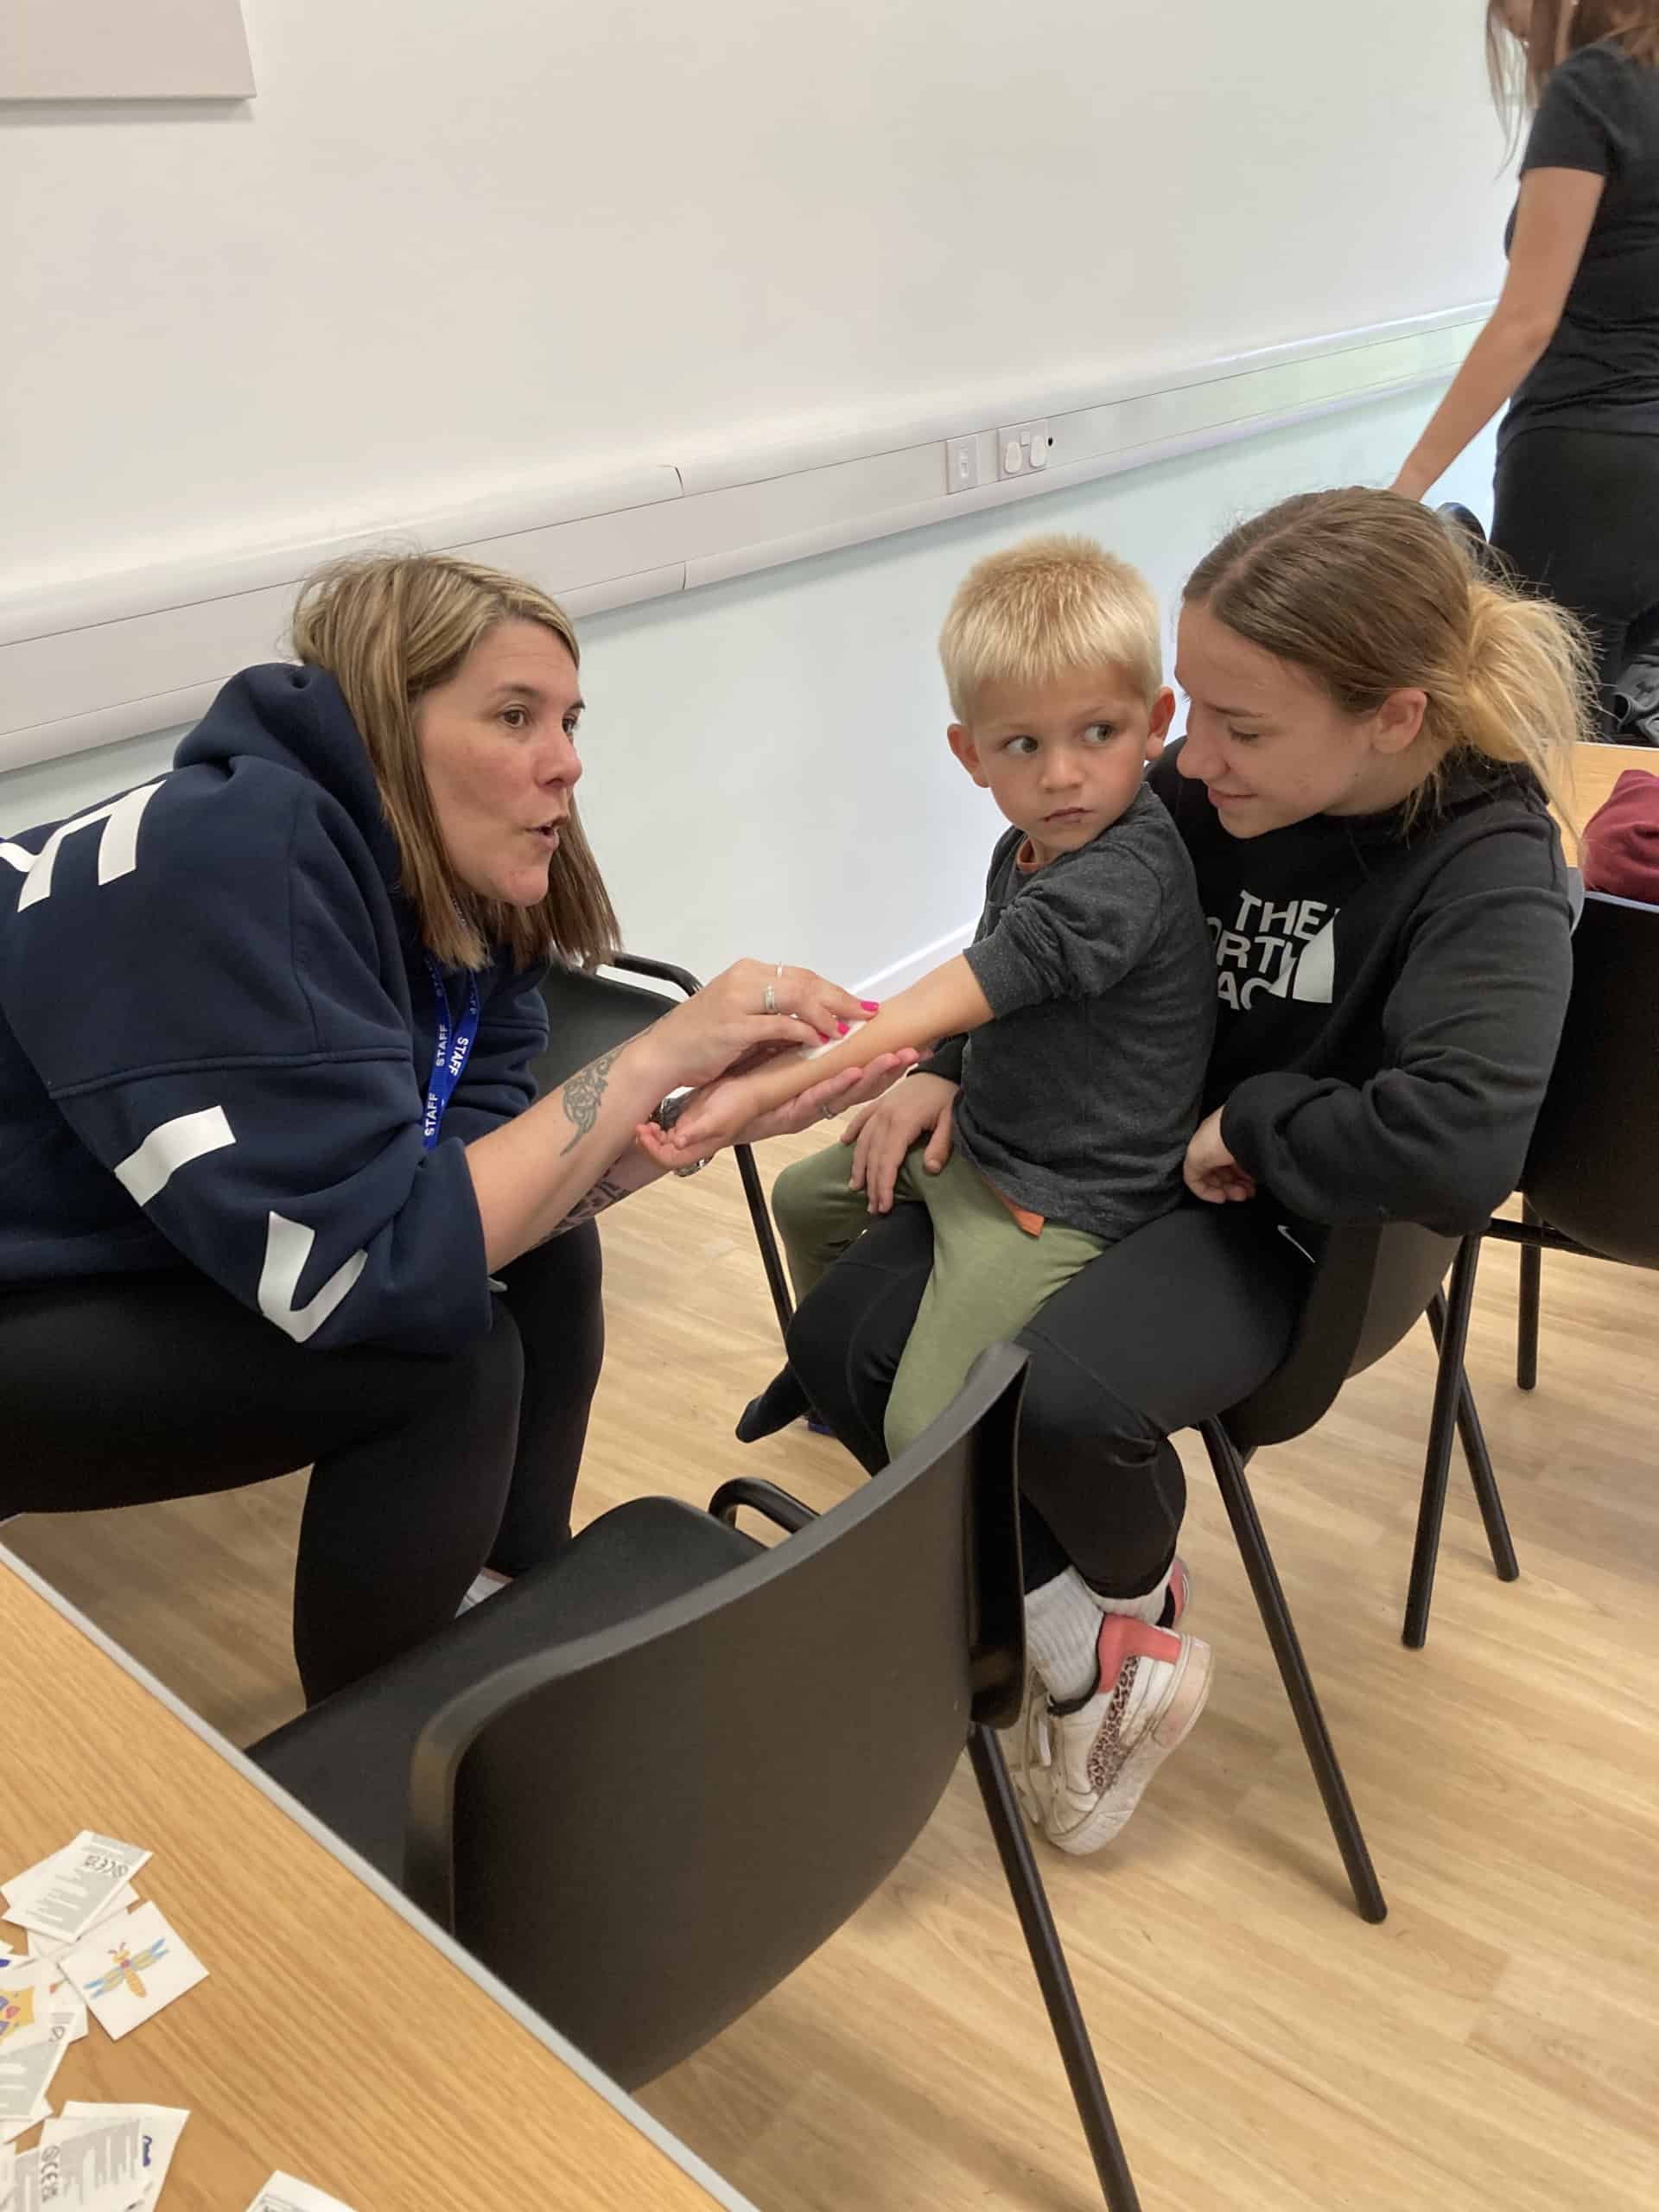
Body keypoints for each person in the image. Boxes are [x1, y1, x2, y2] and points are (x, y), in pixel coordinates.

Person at [774, 490, 1586, 1858]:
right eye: (1188, 710)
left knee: (1048, 1408)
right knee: (847, 1337)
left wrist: (1256, 1128)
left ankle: (1113, 1639)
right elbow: (1050, 945)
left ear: (1390, 717)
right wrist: (945, 1073)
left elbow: (1459, 1143)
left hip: (1296, 1228)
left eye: (1238, 726)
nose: (1184, 756)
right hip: (1118, 1163)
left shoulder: (1488, 869)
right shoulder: (1200, 788)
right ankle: (1073, 1625)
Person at [0, 554, 910, 1705]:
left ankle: (505, 1598)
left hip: (105, 1243)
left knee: (543, 1257)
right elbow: (362, 1271)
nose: (567, 760)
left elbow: (471, 1194)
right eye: (514, 716)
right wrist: (652, 1057)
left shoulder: (440, 884)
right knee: (449, 1368)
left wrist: (681, 1123)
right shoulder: (243, 855)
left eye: (569, 719)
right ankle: (379, 1778)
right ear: (389, 722)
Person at [662, 536, 1214, 1466]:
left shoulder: (1126, 873)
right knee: (807, 1200)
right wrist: (944, 1073)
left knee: (927, 1427)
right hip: (988, 1137)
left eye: (1099, 734)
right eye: (1023, 745)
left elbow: (977, 983)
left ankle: (1021, 1558)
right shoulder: (1029, 847)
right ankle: (846, 1393)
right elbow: (994, 986)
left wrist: (769, 1090)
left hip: (1067, 1196)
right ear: (971, 754)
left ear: (1156, 721)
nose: (1062, 775)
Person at [1393, 3, 1659, 728]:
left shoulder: (1594, 86)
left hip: (1586, 470)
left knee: (1544, 741)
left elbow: (1524, 321)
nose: (1506, 21)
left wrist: (1401, 493)